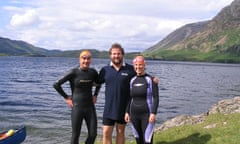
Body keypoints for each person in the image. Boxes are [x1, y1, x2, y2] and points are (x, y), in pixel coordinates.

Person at [98, 43, 158, 144]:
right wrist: (95, 95)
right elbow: (98, 83)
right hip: (109, 108)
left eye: (118, 53)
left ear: (122, 55)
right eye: (114, 54)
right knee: (106, 132)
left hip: (124, 107)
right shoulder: (105, 70)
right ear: (110, 55)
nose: (116, 56)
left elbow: (141, 74)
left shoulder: (130, 69)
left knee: (120, 132)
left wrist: (152, 78)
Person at [53, 50, 101, 144]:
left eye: (88, 58)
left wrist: (95, 95)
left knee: (93, 134)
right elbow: (56, 84)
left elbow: (99, 83)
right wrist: (66, 97)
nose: (86, 61)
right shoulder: (73, 72)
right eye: (84, 58)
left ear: (90, 60)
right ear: (79, 59)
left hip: (90, 107)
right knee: (75, 135)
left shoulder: (93, 72)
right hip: (77, 107)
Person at [125, 55, 159, 144]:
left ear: (144, 65)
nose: (138, 67)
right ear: (134, 66)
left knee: (147, 140)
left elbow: (156, 97)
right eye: (136, 65)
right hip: (134, 114)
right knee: (138, 139)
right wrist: (127, 112)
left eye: (140, 64)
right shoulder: (132, 80)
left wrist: (153, 113)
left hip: (147, 114)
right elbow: (129, 97)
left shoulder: (150, 80)